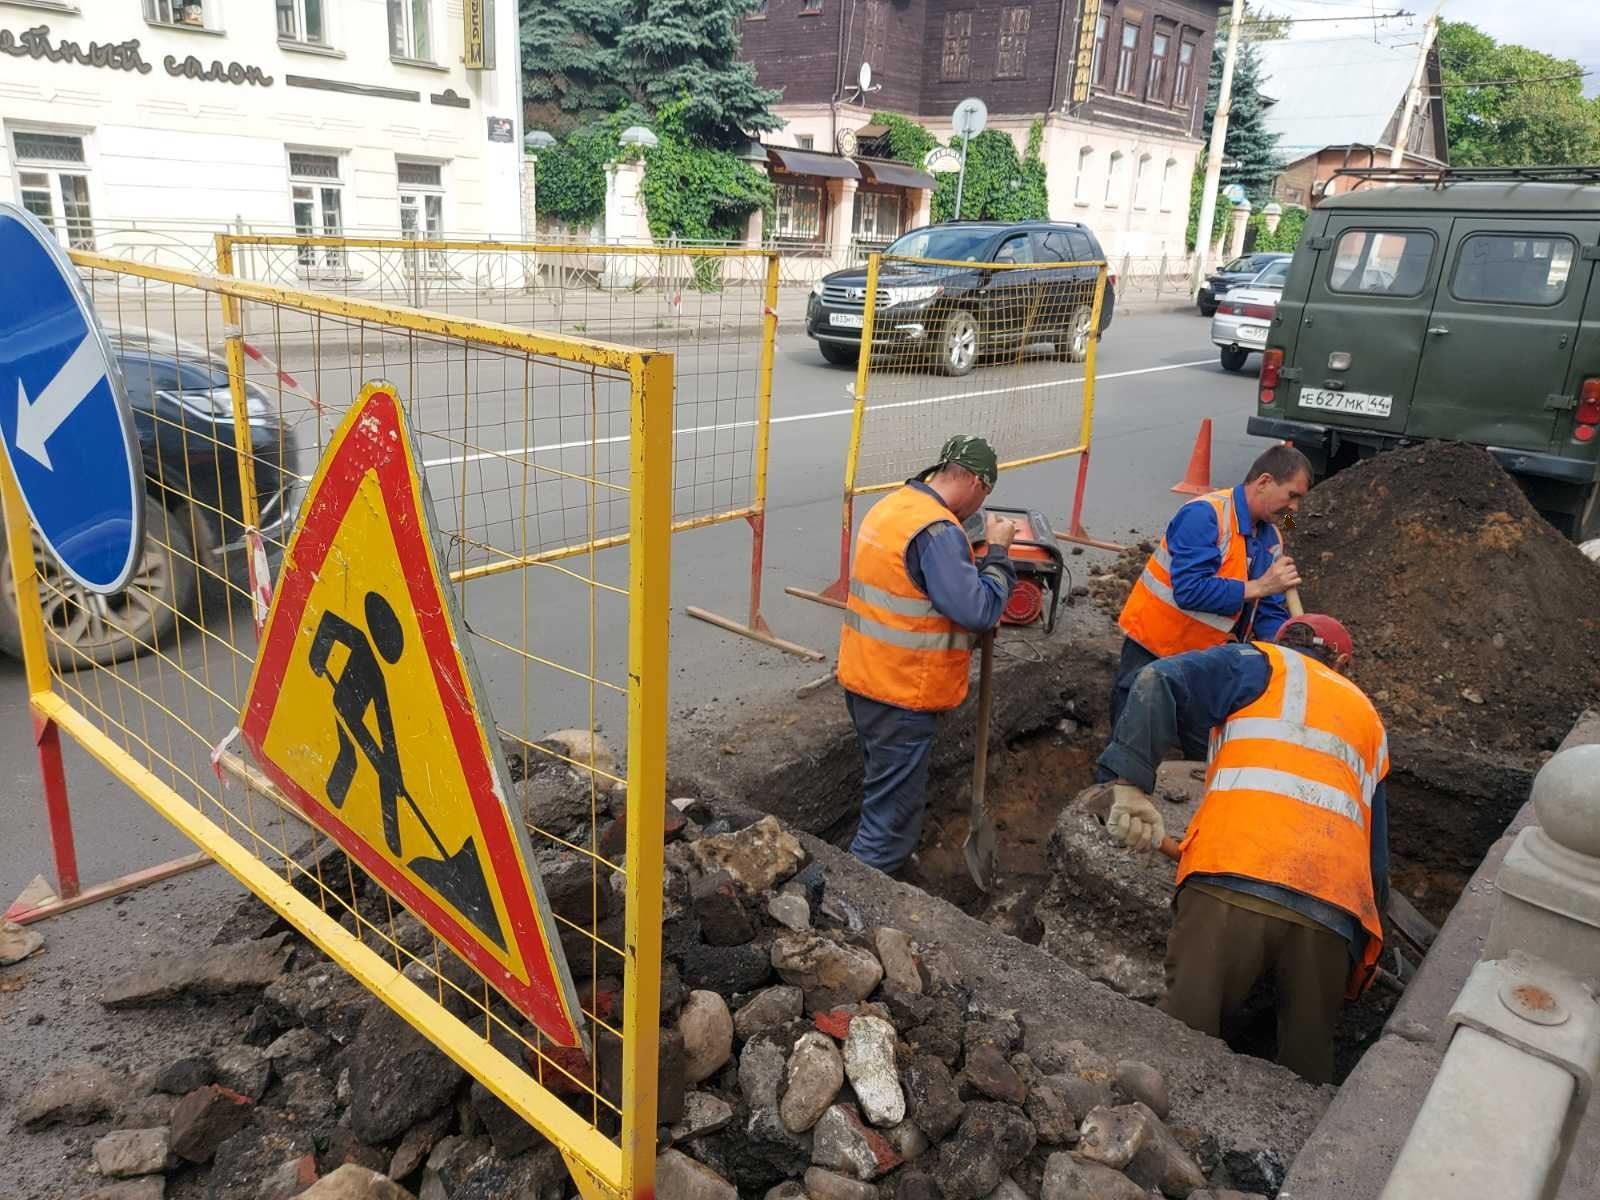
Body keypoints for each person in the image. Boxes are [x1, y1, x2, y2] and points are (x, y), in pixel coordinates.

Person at [1095, 614, 1390, 1084]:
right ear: (1344, 663)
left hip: (1231, 878)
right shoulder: (1370, 721)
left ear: (1279, 642)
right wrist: (1363, 960)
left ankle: (1160, 1136)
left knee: (1181, 1041)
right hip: (1332, 912)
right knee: (1307, 1071)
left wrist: (1129, 786)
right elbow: (1376, 856)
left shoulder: (1257, 663)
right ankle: (1308, 1154)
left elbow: (1155, 678)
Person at [836, 435, 1018, 875]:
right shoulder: (937, 531)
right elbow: (978, 610)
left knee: (882, 788)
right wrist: (998, 556)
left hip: (866, 680)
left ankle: (871, 864)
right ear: (976, 482)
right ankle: (860, 898)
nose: (980, 505)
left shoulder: (894, 506)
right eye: (985, 493)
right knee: (891, 824)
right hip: (902, 694)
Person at [1111, 444, 1312, 757]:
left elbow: (1268, 608)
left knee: (1207, 758)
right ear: (1263, 482)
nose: (1295, 509)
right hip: (1156, 653)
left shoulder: (1274, 535)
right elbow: (1190, 590)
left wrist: (1289, 651)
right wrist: (1258, 586)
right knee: (1131, 751)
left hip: (1207, 666)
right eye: (1292, 496)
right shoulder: (1204, 515)